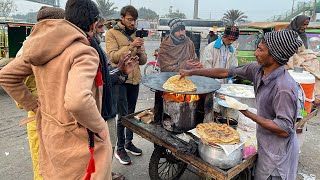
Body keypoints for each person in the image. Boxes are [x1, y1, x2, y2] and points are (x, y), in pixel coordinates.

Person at [0, 0, 113, 179]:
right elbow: (78, 101)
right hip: (78, 141)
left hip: (50, 134)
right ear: (93, 24)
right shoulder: (83, 52)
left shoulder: (38, 48)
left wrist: (36, 107)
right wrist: (100, 126)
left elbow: (6, 75)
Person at [180, 30, 302, 180]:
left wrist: (245, 111)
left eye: (261, 50)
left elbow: (284, 129)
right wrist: (193, 72)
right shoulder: (257, 70)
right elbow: (226, 72)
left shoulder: (284, 87)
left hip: (278, 155)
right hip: (264, 141)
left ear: (274, 57)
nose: (256, 53)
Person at [14, 6, 65, 180]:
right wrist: (38, 106)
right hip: (39, 120)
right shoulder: (29, 50)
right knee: (42, 167)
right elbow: (17, 91)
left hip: (57, 120)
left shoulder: (55, 46)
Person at [93, 15, 136, 180]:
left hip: (105, 105)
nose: (103, 31)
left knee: (105, 148)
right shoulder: (88, 49)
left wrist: (121, 72)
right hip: (100, 110)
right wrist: (119, 70)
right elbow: (100, 82)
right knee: (106, 146)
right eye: (100, 27)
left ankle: (106, 173)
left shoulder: (95, 46)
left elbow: (107, 74)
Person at [105, 5, 147, 165]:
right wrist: (131, 46)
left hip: (134, 80)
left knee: (131, 114)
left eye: (135, 20)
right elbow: (113, 57)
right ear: (122, 18)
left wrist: (141, 50)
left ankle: (129, 143)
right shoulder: (111, 33)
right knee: (122, 116)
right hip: (121, 79)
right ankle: (120, 148)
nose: (133, 23)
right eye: (130, 19)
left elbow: (143, 61)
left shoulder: (136, 34)